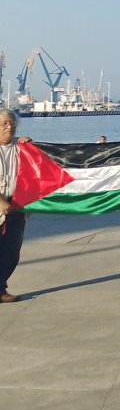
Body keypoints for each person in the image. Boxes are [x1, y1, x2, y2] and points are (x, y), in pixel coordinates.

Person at [0, 109, 32, 303]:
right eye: (4, 124)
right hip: (1, 203)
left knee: (11, 252)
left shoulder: (22, 146)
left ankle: (0, 288)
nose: (9, 127)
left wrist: (32, 145)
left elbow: (39, 167)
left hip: (17, 206)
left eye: (12, 123)